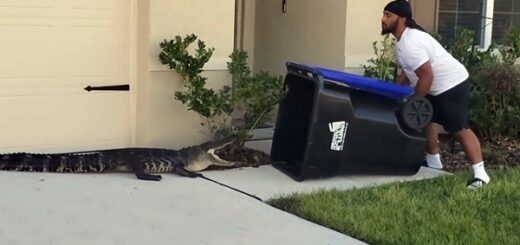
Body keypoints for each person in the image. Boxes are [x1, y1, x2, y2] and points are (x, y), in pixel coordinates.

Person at [381, 0, 490, 189]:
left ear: (402, 18)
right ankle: (434, 163)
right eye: (383, 15)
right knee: (426, 118)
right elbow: (408, 72)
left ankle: (481, 175)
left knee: (459, 128)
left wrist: (413, 102)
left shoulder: (411, 42)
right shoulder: (403, 41)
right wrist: (395, 92)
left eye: (388, 15)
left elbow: (426, 75)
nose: (383, 19)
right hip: (432, 85)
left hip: (452, 84)